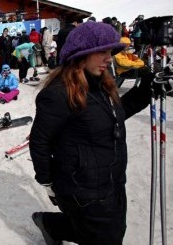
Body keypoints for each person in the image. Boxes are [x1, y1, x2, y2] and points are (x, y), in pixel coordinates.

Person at [29, 21, 155, 245]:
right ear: (81, 55)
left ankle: (50, 224)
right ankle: (51, 223)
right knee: (105, 238)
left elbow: (115, 115)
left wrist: (145, 89)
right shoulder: (58, 94)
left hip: (112, 180)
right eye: (102, 52)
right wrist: (48, 183)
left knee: (113, 231)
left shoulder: (102, 84)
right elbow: (39, 142)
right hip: (82, 189)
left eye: (110, 52)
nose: (109, 58)